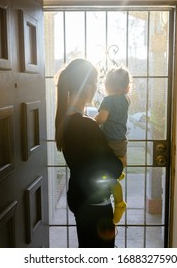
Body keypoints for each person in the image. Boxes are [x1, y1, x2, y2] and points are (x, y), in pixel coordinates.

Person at [55, 58, 123, 248]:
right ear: (87, 86)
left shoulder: (64, 120)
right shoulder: (86, 126)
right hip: (95, 205)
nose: (97, 87)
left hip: (79, 197)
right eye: (96, 82)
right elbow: (115, 169)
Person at [94, 66, 131, 224]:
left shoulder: (108, 100)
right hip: (121, 141)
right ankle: (120, 171)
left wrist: (90, 121)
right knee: (119, 163)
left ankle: (120, 203)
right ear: (127, 87)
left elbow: (102, 118)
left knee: (109, 177)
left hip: (109, 141)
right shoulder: (125, 99)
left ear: (106, 86)